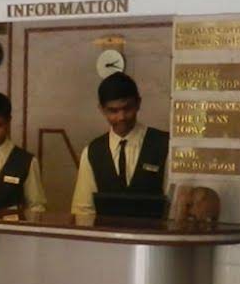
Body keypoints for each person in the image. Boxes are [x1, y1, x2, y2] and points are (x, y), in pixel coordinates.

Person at [71, 71, 170, 214]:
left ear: (138, 104)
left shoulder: (164, 145)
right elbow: (83, 210)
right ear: (102, 110)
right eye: (113, 111)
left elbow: (173, 206)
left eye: (127, 108)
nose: (121, 117)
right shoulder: (92, 152)